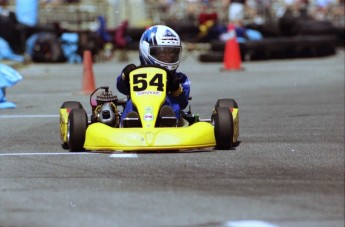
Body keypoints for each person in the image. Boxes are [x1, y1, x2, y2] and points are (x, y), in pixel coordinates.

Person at [116, 25, 190, 127]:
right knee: (131, 104)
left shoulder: (179, 79)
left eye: (171, 53)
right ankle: (131, 122)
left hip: (168, 118)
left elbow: (183, 103)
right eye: (163, 52)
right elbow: (121, 88)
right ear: (147, 50)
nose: (168, 57)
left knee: (172, 104)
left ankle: (168, 121)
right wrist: (125, 75)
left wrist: (175, 88)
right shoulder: (135, 73)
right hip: (137, 108)